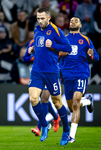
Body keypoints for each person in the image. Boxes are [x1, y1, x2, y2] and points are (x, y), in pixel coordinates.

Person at [28, 7, 72, 145]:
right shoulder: (36, 30)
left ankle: (66, 130)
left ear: (48, 18)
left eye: (42, 18)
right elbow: (40, 46)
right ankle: (44, 124)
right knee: (33, 98)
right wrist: (33, 49)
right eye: (38, 19)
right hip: (37, 70)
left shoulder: (56, 31)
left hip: (52, 72)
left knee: (57, 102)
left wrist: (53, 44)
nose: (40, 21)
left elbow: (68, 48)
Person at [60, 17, 99, 143]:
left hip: (80, 74)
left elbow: (96, 56)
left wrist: (91, 54)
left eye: (76, 21)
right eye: (71, 21)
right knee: (72, 108)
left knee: (76, 103)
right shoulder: (63, 38)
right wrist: (61, 53)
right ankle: (87, 101)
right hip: (67, 76)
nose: (73, 22)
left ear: (80, 25)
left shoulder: (85, 40)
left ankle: (72, 136)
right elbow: (55, 54)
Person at [23, 39, 61, 136]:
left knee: (44, 99)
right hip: (38, 74)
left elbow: (60, 55)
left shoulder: (52, 41)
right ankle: (56, 117)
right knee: (42, 100)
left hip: (50, 74)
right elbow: (25, 58)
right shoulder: (32, 42)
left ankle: (39, 127)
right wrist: (33, 57)